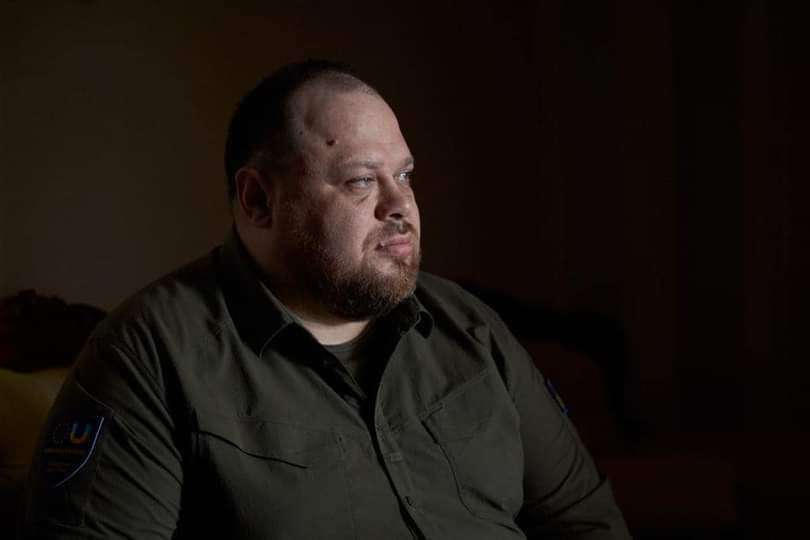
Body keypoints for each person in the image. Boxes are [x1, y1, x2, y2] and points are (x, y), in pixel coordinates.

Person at [24, 60, 630, 539]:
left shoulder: (469, 325)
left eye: (405, 175)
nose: (401, 205)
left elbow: (584, 519)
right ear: (258, 201)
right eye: (361, 180)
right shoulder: (150, 355)